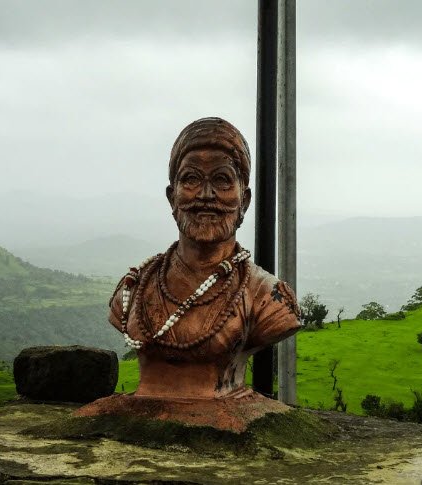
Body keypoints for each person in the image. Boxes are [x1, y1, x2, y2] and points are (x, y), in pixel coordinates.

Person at [106, 117, 301, 400]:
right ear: (172, 197)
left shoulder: (268, 298)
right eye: (191, 179)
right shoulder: (133, 288)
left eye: (222, 180)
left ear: (243, 201)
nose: (206, 195)